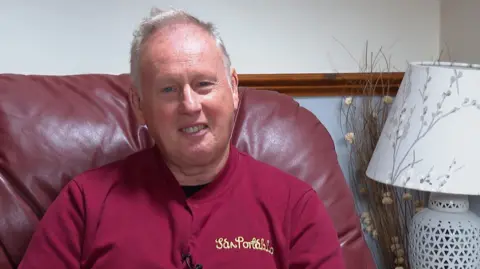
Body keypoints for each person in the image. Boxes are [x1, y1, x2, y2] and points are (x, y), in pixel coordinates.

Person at [18, 7, 345, 269]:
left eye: (204, 84)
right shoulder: (84, 204)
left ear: (232, 89)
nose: (190, 105)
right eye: (168, 89)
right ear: (139, 105)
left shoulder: (295, 206)